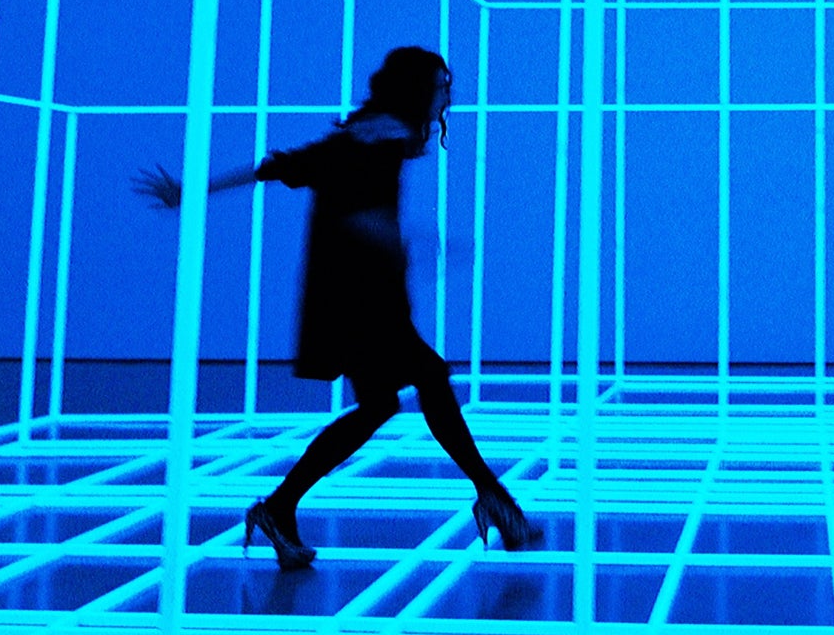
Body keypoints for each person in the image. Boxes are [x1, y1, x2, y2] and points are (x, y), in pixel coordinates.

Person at [135, 46, 539, 569]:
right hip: (359, 302)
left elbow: (285, 168)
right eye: (442, 85)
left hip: (366, 296)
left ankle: (279, 508)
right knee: (429, 378)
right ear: (417, 89)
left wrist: (192, 191)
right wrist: (403, 238)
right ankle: (493, 497)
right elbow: (314, 187)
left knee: (381, 405)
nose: (449, 96)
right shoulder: (377, 137)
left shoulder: (379, 134)